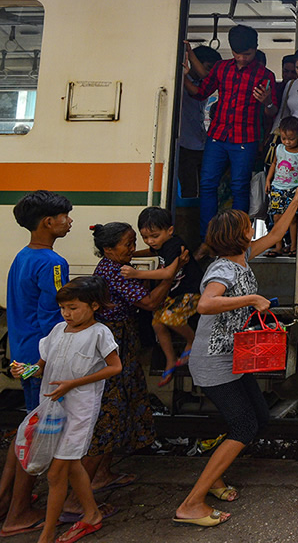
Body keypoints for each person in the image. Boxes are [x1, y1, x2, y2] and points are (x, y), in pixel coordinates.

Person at [173, 185, 298, 528]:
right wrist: (251, 300)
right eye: (248, 227)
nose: (253, 230)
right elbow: (206, 304)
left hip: (235, 359)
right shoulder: (223, 271)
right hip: (215, 361)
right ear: (239, 235)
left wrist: (296, 200)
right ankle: (192, 502)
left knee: (257, 418)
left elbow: (277, 232)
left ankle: (215, 479)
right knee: (245, 426)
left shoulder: (241, 258)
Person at [13, 276, 122, 543]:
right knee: (72, 465)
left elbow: (115, 367)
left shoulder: (99, 333)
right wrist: (23, 370)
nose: (67, 314)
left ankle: (47, 535)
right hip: (52, 410)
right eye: (63, 308)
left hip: (79, 412)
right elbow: (40, 366)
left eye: (73, 307)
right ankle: (92, 514)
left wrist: (74, 383)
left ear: (94, 305)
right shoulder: (57, 330)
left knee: (55, 472)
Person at [80, 223, 181, 499]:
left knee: (120, 405)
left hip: (121, 340)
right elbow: (149, 303)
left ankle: (102, 475)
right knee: (110, 410)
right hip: (115, 343)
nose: (133, 249)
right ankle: (77, 497)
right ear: (109, 249)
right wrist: (169, 278)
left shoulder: (112, 266)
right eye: (128, 244)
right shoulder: (114, 272)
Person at [0, 191, 72, 536]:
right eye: (65, 217)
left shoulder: (22, 257)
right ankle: (18, 513)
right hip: (41, 358)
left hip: (23, 353)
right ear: (49, 222)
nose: (69, 222)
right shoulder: (53, 263)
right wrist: (50, 360)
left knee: (27, 428)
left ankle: (7, 502)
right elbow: (53, 318)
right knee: (38, 435)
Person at [184, 25, 279, 246]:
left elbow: (272, 112)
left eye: (247, 54)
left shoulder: (265, 75)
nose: (242, 59)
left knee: (240, 187)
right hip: (218, 136)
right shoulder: (221, 68)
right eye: (237, 54)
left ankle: (236, 238)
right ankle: (207, 237)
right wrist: (182, 76)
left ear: (255, 49)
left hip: (246, 138)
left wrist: (267, 101)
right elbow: (200, 93)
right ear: (232, 51)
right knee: (207, 185)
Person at [122, 207, 204, 386]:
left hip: (191, 292)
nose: (150, 241)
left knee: (170, 319)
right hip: (177, 293)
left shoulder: (175, 246)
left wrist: (136, 273)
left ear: (170, 231)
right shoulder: (163, 245)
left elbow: (168, 273)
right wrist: (130, 254)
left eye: (154, 236)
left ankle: (192, 341)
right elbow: (151, 253)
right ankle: (170, 359)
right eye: (145, 237)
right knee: (157, 323)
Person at [177, 45, 222, 198]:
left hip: (201, 143)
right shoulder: (178, 83)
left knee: (205, 189)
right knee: (189, 189)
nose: (209, 74)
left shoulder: (205, 87)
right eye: (208, 68)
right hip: (184, 143)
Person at [264, 117, 298, 257]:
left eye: (291, 139)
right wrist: (268, 180)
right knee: (276, 218)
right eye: (284, 138)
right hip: (277, 187)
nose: (287, 141)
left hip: (293, 188)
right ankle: (278, 246)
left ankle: (293, 246)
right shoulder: (279, 148)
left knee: (292, 218)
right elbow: (274, 164)